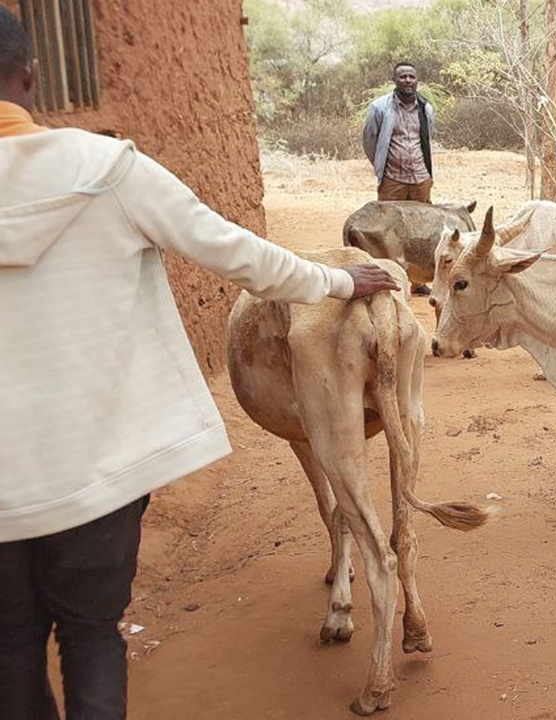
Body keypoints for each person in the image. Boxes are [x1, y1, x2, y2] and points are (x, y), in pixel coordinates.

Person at [0, 9, 399, 719]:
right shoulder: (107, 169)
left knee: (10, 649)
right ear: (31, 75)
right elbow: (236, 251)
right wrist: (339, 281)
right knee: (92, 636)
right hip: (97, 474)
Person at [363, 62, 436, 202]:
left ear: (417, 80)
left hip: (421, 180)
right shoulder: (379, 108)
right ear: (394, 80)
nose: (408, 80)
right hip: (392, 181)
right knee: (389, 223)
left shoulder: (426, 108)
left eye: (411, 77)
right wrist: (382, 166)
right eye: (402, 77)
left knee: (421, 223)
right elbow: (369, 142)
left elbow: (428, 138)